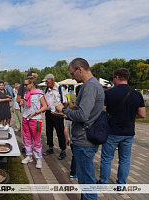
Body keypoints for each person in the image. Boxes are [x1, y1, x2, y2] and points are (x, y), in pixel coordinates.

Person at [56, 58, 104, 200]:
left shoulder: (89, 86)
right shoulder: (93, 85)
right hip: (85, 139)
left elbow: (83, 115)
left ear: (80, 69)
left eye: (72, 73)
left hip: (84, 141)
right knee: (85, 183)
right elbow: (86, 113)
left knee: (87, 184)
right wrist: (69, 114)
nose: (72, 77)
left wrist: (64, 110)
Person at [97, 68, 146, 185]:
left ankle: (103, 182)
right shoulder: (137, 94)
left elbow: (101, 112)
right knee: (124, 160)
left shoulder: (108, 93)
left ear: (117, 77)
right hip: (128, 133)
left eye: (113, 78)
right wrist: (129, 115)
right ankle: (121, 184)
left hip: (112, 132)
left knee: (107, 159)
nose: (112, 80)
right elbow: (142, 115)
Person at [21, 74, 48, 169]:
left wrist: (35, 112)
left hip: (36, 119)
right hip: (25, 118)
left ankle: (38, 158)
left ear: (32, 84)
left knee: (36, 139)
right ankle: (29, 155)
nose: (24, 86)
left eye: (26, 85)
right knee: (26, 137)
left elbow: (45, 106)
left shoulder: (39, 94)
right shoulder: (26, 93)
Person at [43, 74, 67, 160]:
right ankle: (50, 148)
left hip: (57, 114)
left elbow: (65, 102)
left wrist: (61, 112)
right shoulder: (47, 89)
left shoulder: (60, 89)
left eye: (47, 81)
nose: (46, 83)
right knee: (48, 131)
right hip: (48, 113)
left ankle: (63, 149)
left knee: (59, 131)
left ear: (52, 80)